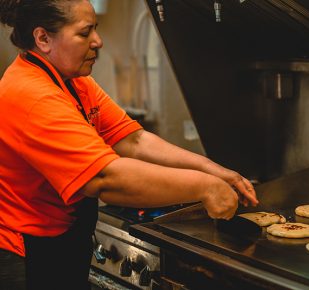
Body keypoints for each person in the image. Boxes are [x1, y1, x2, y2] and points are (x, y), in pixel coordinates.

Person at [0, 1, 259, 289]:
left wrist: (212, 170)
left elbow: (133, 140)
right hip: (25, 256)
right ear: (43, 38)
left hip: (62, 243)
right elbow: (103, 178)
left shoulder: (73, 81)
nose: (98, 41)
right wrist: (204, 187)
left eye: (95, 30)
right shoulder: (32, 95)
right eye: (85, 33)